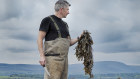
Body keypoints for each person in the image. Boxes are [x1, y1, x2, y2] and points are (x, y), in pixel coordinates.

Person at [37, 1, 82, 79]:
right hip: (52, 60)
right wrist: (41, 56)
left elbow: (68, 42)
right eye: (67, 10)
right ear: (61, 9)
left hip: (64, 60)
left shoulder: (65, 25)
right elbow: (39, 38)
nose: (69, 12)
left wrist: (79, 38)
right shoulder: (47, 20)